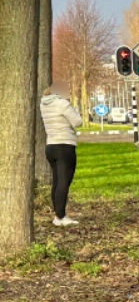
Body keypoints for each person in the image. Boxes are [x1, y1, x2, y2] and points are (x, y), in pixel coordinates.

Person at [40, 80, 82, 227]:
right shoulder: (62, 104)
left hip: (51, 146)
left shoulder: (44, 104)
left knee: (57, 181)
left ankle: (57, 214)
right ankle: (61, 216)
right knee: (64, 181)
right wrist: (70, 104)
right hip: (65, 145)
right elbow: (77, 122)